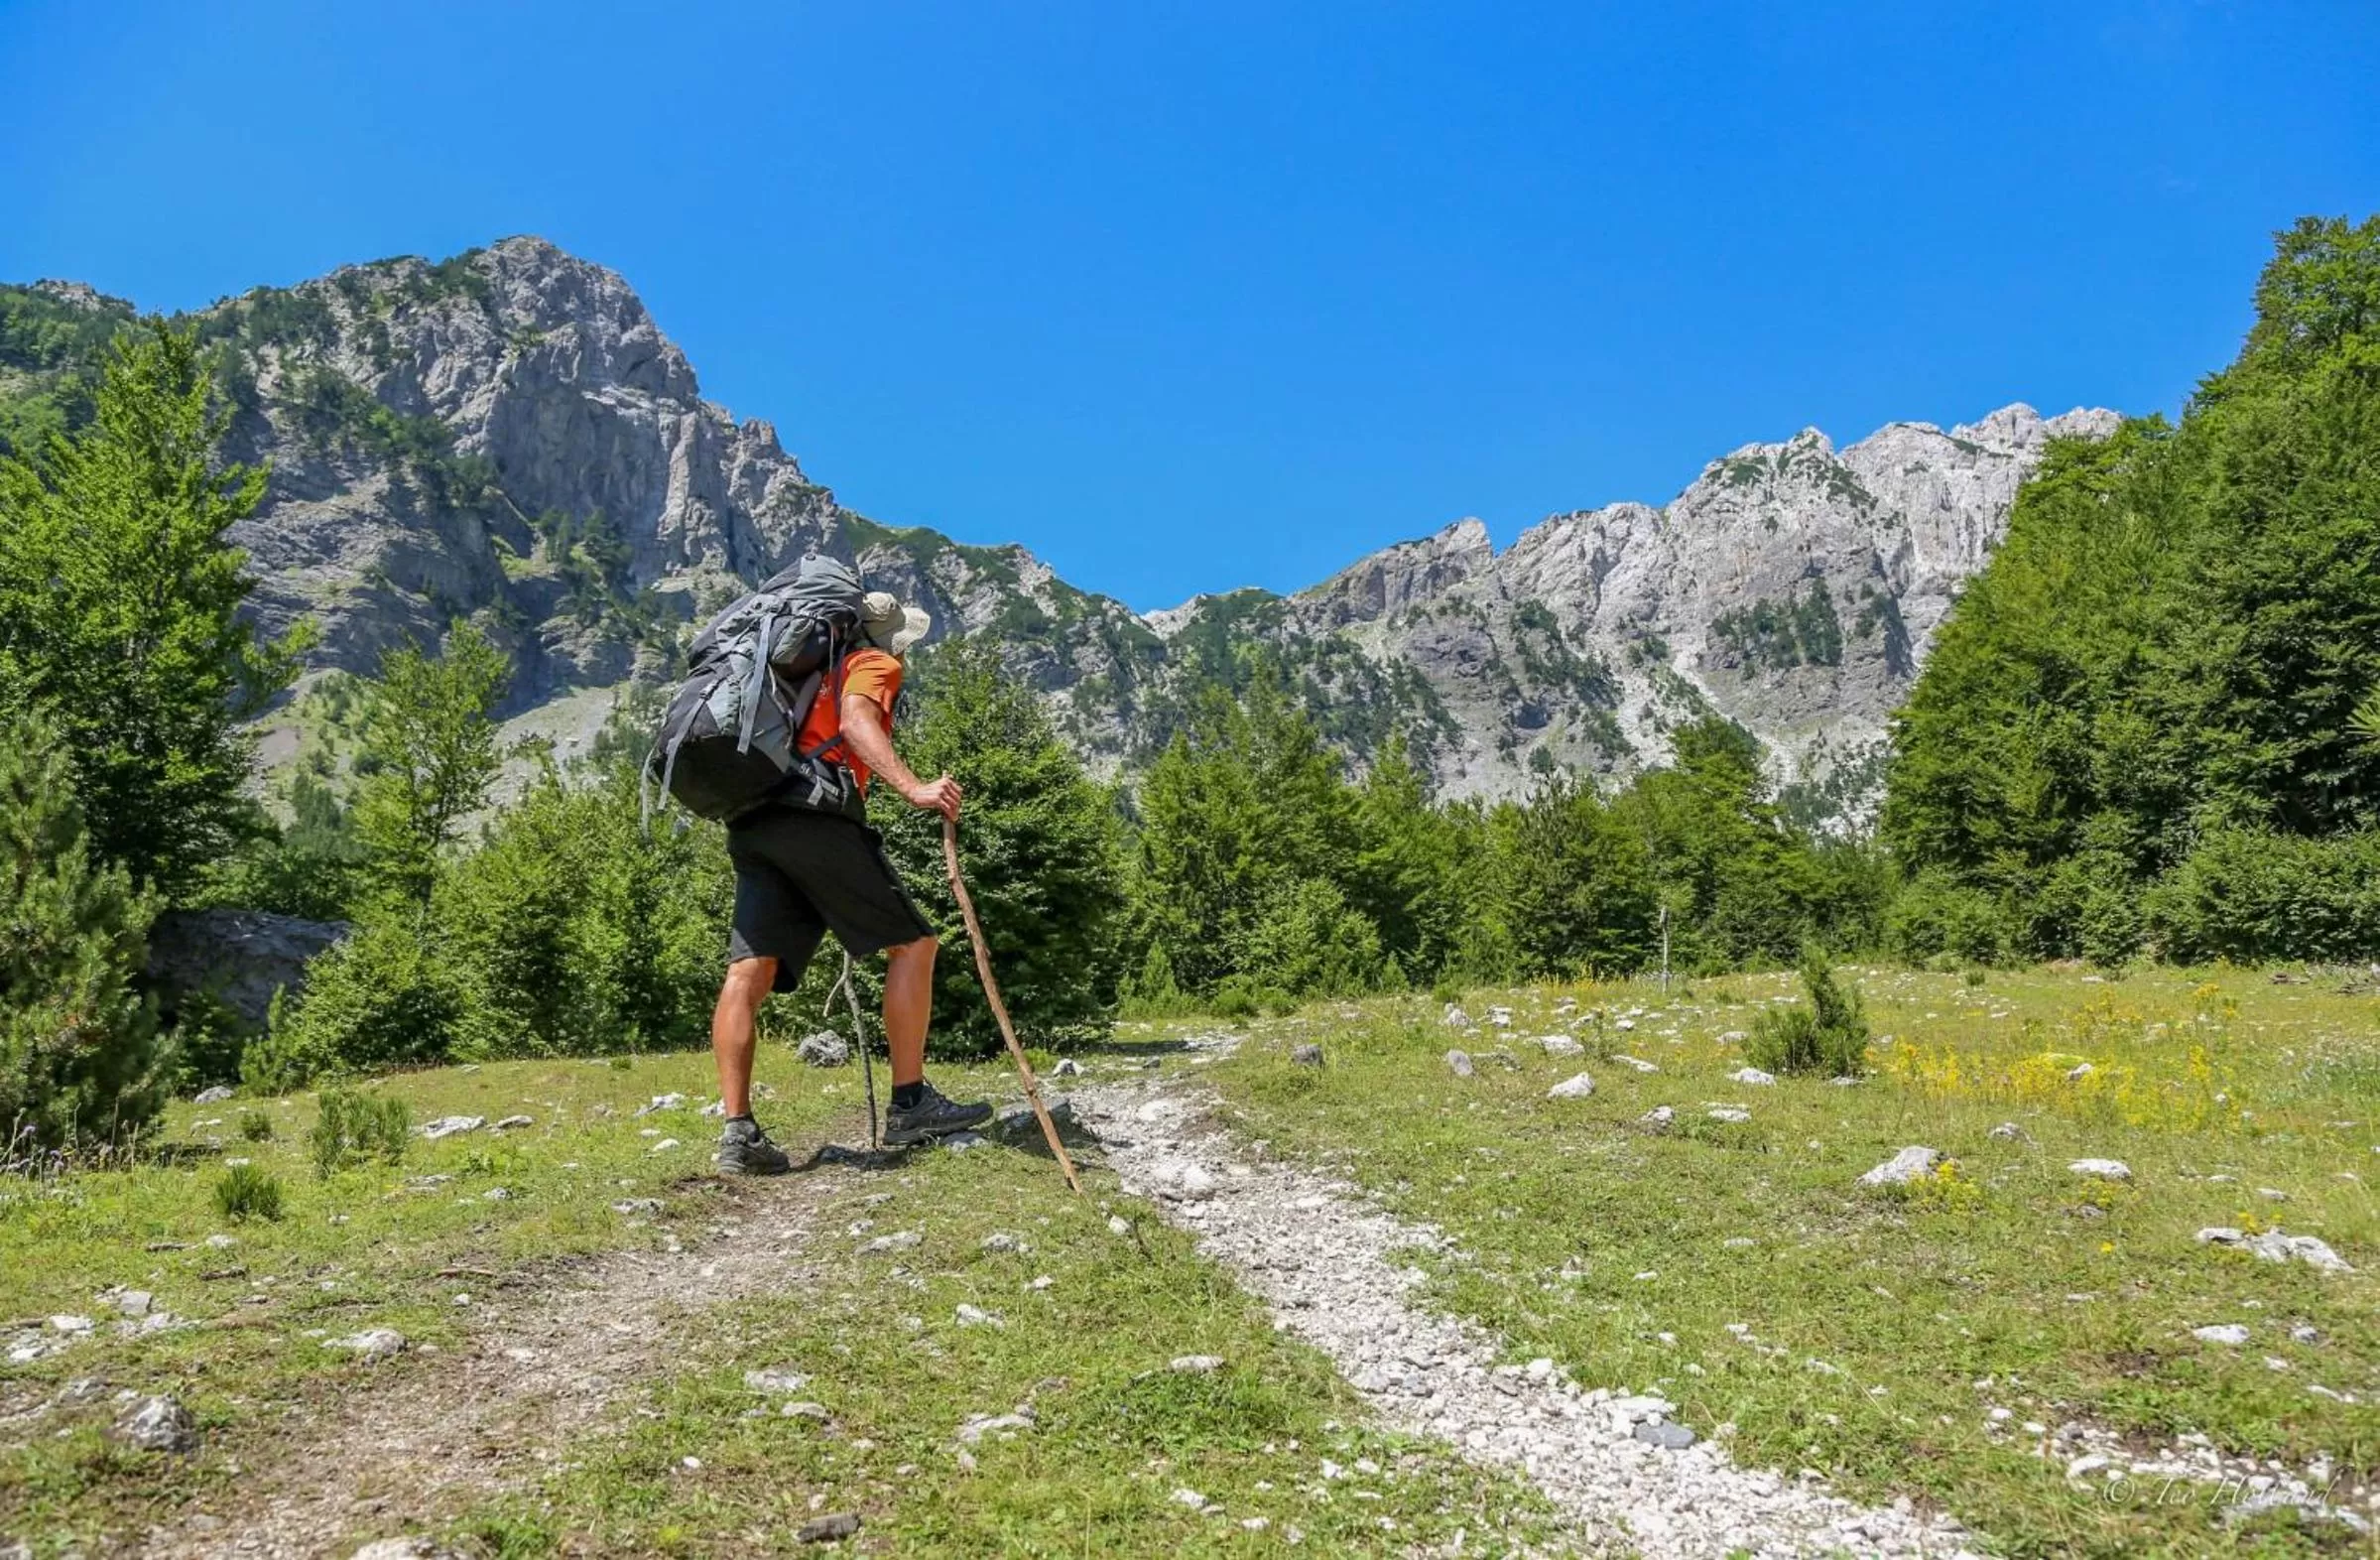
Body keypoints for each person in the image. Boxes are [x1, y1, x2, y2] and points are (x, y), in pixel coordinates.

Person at [711, 588, 991, 1174]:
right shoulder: (870, 665)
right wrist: (914, 788)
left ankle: (738, 1134)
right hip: (817, 816)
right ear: (884, 639)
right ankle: (911, 1102)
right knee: (915, 945)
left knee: (749, 970)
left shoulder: (793, 679)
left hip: (755, 818)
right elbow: (857, 723)